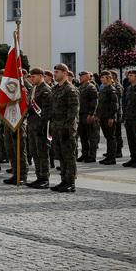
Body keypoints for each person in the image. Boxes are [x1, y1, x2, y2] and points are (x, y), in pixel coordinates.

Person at [50, 63, 80, 192]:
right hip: (56, 126)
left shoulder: (70, 89)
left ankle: (70, 182)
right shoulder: (55, 89)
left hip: (66, 128)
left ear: (65, 73)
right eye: (54, 72)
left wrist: (68, 128)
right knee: (60, 155)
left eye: (57, 72)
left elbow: (73, 111)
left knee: (69, 155)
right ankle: (63, 180)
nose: (54, 74)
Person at [26, 67, 52, 188]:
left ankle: (44, 178)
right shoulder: (33, 89)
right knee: (34, 152)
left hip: (40, 125)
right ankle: (38, 176)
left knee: (42, 152)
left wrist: (42, 125)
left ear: (41, 76)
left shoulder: (46, 90)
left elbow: (46, 110)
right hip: (31, 125)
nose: (31, 78)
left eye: (33, 76)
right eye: (30, 76)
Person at [96, 71, 120, 165]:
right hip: (103, 117)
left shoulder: (112, 90)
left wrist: (111, 117)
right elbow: (100, 104)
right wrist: (98, 116)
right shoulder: (103, 90)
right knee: (107, 137)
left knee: (111, 137)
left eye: (103, 78)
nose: (101, 79)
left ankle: (112, 157)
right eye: (101, 78)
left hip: (109, 117)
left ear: (108, 79)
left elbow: (114, 105)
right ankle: (109, 156)